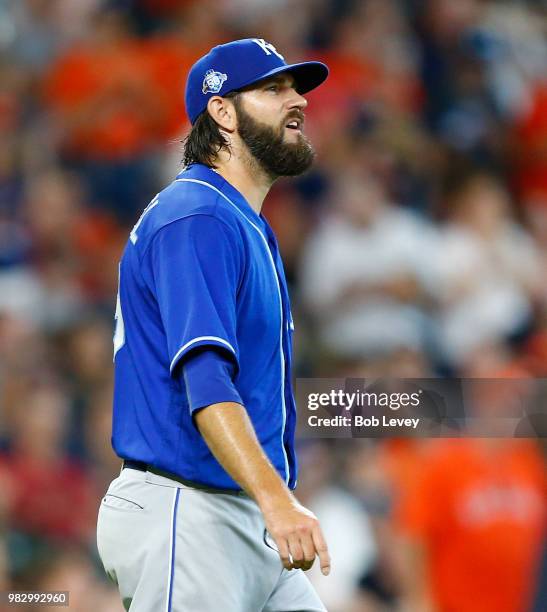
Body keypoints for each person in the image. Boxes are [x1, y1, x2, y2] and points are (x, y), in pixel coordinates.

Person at [96, 38, 331, 611]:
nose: (296, 98)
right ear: (222, 111)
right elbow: (205, 381)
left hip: (239, 514)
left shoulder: (235, 219)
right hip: (187, 509)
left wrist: (268, 503)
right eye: (273, 88)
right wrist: (277, 499)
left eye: (294, 86)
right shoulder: (198, 216)